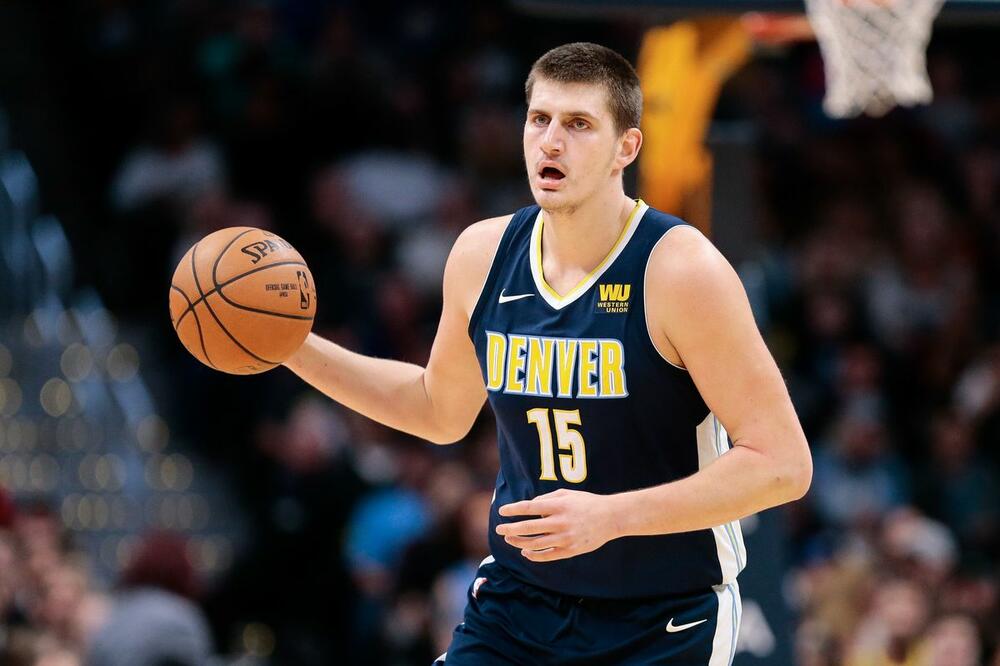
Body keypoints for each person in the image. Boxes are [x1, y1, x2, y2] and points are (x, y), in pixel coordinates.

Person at [284, 42, 812, 664]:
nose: (551, 142)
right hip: (518, 606)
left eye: (579, 124)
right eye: (540, 119)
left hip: (661, 618)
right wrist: (293, 348)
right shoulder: (482, 255)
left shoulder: (680, 270)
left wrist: (611, 517)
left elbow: (783, 464)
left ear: (626, 148)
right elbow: (437, 409)